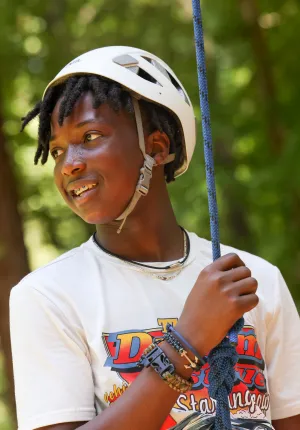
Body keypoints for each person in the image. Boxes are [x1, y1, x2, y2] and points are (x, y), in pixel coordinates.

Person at [9, 46, 300, 430]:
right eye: (57, 150)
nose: (69, 164)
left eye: (90, 136)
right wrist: (187, 342)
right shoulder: (47, 295)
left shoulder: (255, 279)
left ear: (157, 148)